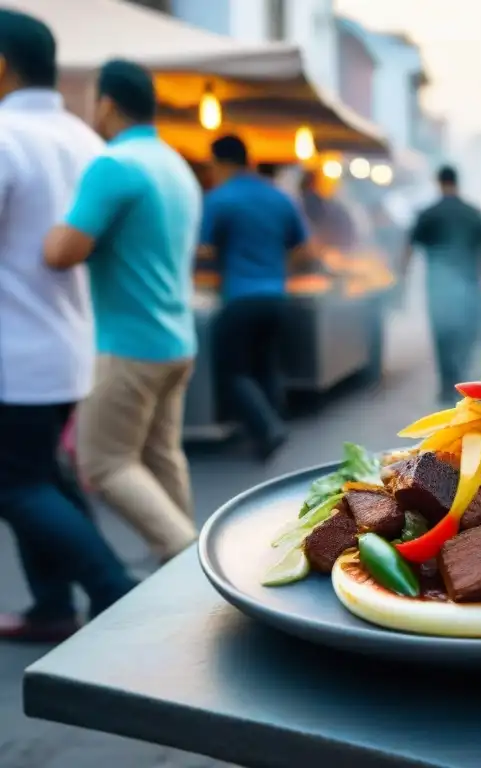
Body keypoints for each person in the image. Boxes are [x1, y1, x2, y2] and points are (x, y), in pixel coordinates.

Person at [0, 10, 136, 641]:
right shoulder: (86, 139)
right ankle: (52, 604)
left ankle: (114, 590)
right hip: (67, 346)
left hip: (14, 352)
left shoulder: (4, 134)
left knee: (19, 484)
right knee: (40, 477)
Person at [45, 59, 202, 564]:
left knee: (105, 463)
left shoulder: (114, 164)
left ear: (106, 102)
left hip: (129, 343)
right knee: (160, 456)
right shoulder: (174, 163)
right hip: (177, 341)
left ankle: (186, 559)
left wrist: (48, 229)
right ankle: (187, 557)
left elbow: (61, 252)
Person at [199, 134, 309, 459]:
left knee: (232, 370)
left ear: (219, 162)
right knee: (265, 363)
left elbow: (204, 249)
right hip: (277, 297)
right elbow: (302, 246)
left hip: (241, 298)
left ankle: (267, 428)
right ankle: (276, 421)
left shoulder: (219, 198)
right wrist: (278, 271)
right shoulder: (278, 196)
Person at [401, 165, 481, 402]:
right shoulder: (473, 212)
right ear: (457, 182)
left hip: (437, 288)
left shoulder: (428, 213)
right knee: (466, 334)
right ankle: (464, 384)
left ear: (438, 182)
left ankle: (447, 386)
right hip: (470, 285)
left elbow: (409, 247)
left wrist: (402, 277)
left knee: (442, 335)